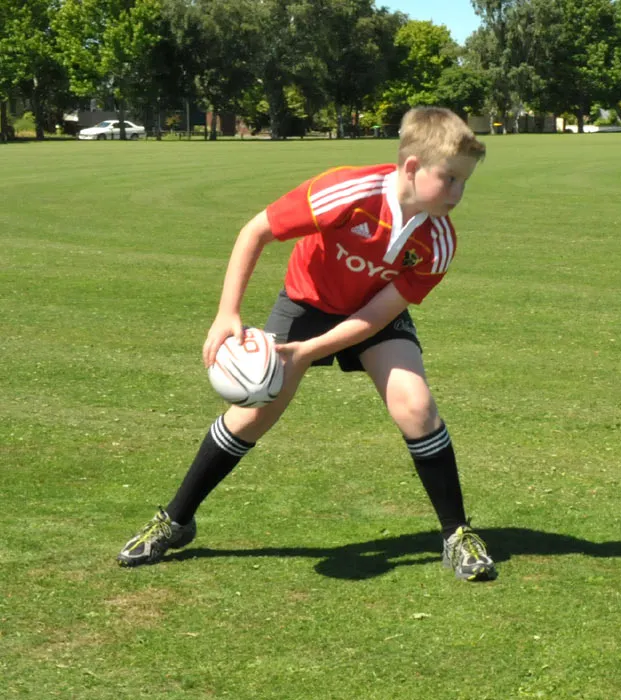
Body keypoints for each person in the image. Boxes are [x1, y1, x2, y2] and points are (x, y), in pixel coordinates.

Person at [117, 106, 496, 581]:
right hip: (305, 303)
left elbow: (376, 315)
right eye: (451, 179)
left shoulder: (438, 241)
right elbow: (256, 230)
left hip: (369, 315)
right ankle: (174, 520)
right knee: (255, 412)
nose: (459, 194)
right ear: (412, 167)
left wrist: (307, 352)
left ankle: (456, 533)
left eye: (465, 182)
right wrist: (227, 313)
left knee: (415, 405)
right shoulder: (347, 191)